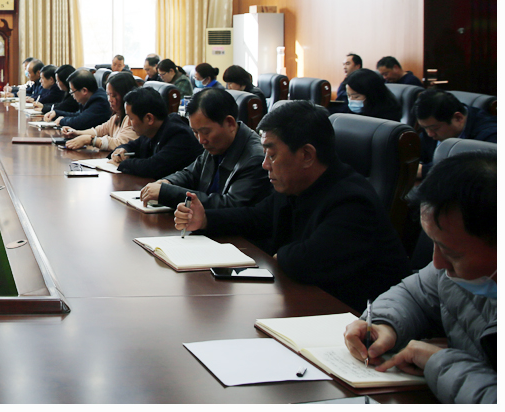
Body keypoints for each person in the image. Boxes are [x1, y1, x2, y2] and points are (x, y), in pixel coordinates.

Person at [174, 100, 410, 310]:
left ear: (307, 155)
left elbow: (304, 263)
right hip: (307, 304)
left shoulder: (353, 202)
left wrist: (279, 254)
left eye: (272, 155)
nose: (265, 165)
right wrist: (206, 220)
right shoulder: (296, 185)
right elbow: (257, 217)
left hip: (352, 321)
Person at [343, 151, 496, 404]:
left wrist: (438, 362)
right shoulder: (454, 270)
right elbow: (414, 293)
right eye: (434, 244)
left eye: (451, 252)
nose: (437, 262)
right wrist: (385, 324)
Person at [140, 88, 270, 210]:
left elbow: (231, 205)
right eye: (195, 132)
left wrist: (168, 193)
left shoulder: (255, 158)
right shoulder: (217, 144)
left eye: (206, 132)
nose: (201, 140)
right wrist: (166, 183)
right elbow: (190, 174)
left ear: (229, 123)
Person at [111, 86, 203, 179]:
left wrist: (123, 163)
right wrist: (123, 150)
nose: (129, 123)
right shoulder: (151, 131)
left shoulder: (179, 135)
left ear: (149, 118)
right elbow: (133, 145)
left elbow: (152, 167)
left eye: (131, 118)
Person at [414, 89, 497, 178]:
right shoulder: (432, 125)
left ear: (458, 118)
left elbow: (477, 171)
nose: (430, 134)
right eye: (425, 128)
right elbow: (415, 154)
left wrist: (424, 170)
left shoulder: (490, 135)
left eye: (435, 128)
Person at [61, 72, 139, 151]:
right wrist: (77, 133)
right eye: (108, 95)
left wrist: (91, 140)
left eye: (113, 95)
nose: (109, 99)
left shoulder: (132, 118)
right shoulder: (117, 116)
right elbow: (100, 130)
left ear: (125, 95)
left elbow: (120, 143)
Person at [43, 69, 111, 130]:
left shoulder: (100, 101)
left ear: (84, 91)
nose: (71, 94)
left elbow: (80, 122)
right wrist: (56, 113)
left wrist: (62, 120)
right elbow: (78, 115)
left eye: (72, 91)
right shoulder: (91, 97)